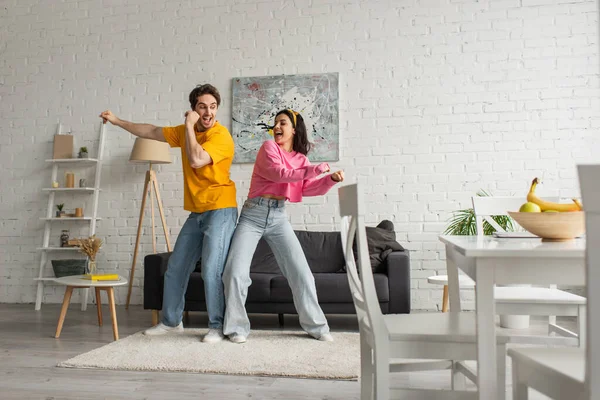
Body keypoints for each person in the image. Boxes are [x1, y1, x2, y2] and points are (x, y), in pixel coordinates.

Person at [99, 84, 237, 343]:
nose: (208, 112)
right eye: (202, 106)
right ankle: (171, 321)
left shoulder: (221, 136)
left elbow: (196, 159)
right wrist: (117, 121)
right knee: (175, 267)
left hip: (220, 209)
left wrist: (187, 127)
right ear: (193, 108)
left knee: (210, 270)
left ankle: (217, 326)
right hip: (197, 212)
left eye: (212, 107)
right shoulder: (188, 131)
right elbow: (150, 130)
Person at [222, 109, 344, 344]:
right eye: (275, 122)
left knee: (302, 274)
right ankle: (236, 328)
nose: (277, 126)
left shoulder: (301, 159)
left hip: (278, 217)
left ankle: (317, 327)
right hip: (252, 215)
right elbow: (279, 174)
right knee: (235, 273)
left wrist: (329, 180)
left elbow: (306, 188)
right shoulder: (269, 148)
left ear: (294, 129)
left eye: (283, 123)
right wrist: (315, 170)